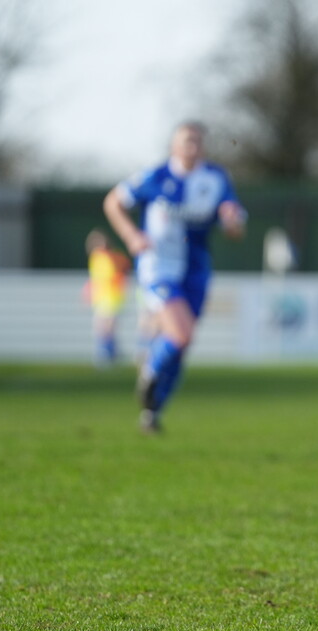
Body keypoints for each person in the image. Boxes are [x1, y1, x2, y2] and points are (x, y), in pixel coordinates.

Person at [103, 121, 246, 433]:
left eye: (197, 141)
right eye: (186, 140)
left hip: (196, 269)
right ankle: (150, 368)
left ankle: (152, 412)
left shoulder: (216, 178)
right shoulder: (155, 177)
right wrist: (131, 236)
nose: (192, 146)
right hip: (159, 266)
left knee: (182, 344)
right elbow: (113, 202)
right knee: (181, 334)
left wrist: (232, 222)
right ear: (174, 145)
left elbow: (235, 224)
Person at [84, 228, 131, 367]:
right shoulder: (96, 259)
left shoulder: (112, 256)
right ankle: (106, 354)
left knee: (108, 327)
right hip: (102, 298)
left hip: (112, 297)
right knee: (101, 327)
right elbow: (95, 279)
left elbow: (123, 268)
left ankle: (109, 354)